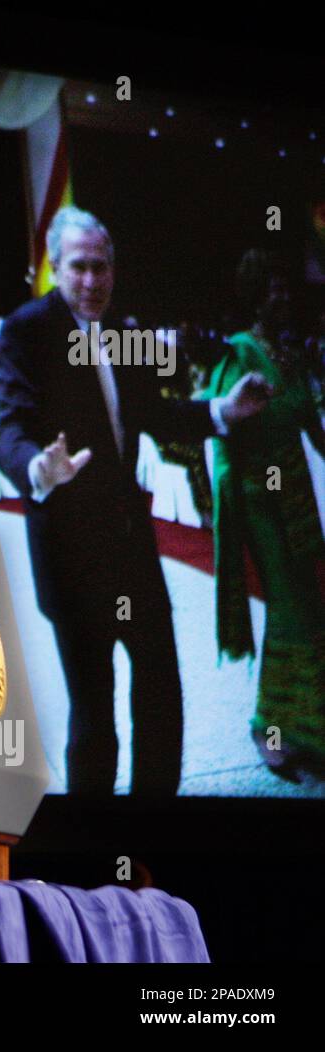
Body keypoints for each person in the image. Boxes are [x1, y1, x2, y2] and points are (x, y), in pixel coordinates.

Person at [0, 206, 271, 795]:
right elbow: (7, 433)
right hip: (69, 554)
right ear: (53, 267)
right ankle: (95, 848)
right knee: (95, 714)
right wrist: (38, 468)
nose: (91, 281)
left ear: (114, 270)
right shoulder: (25, 331)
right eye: (78, 268)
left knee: (162, 692)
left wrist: (223, 411)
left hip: (130, 546)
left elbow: (154, 413)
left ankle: (154, 824)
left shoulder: (126, 332)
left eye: (101, 267)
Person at [207, 250, 325, 779]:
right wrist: (233, 500)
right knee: (289, 610)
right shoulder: (240, 352)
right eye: (271, 289)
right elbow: (222, 428)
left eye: (286, 289)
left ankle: (298, 725)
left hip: (298, 499)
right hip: (260, 502)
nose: (282, 297)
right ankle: (271, 729)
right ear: (254, 294)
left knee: (306, 609)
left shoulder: (290, 356)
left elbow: (311, 426)